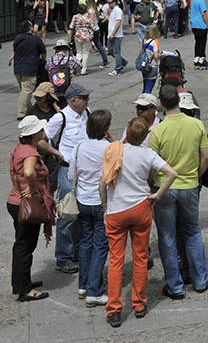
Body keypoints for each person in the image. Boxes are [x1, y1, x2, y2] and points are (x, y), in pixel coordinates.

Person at [101, 116, 178, 327]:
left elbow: (102, 184)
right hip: (141, 208)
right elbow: (171, 173)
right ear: (145, 136)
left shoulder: (113, 151)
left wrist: (106, 208)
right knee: (140, 257)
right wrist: (158, 194)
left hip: (117, 210)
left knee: (116, 261)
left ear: (126, 132)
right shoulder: (147, 153)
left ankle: (114, 310)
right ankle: (139, 304)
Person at [149, 83, 208, 299]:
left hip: (164, 187)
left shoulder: (157, 131)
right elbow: (206, 157)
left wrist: (152, 186)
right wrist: (196, 176)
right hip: (189, 184)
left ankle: (175, 286)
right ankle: (200, 279)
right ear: (179, 100)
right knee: (192, 231)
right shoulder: (196, 125)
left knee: (167, 236)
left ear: (160, 103)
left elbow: (152, 165)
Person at [45, 82, 94, 273]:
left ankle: (77, 252)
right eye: (84, 97)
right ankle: (63, 258)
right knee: (67, 214)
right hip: (67, 172)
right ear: (73, 100)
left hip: (85, 172)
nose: (87, 100)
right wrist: (58, 154)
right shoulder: (61, 118)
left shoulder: (87, 113)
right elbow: (42, 139)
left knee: (81, 213)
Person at [8, 115, 57, 302]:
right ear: (35, 133)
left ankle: (24, 282)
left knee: (23, 244)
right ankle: (24, 289)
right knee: (24, 246)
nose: (43, 131)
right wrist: (33, 187)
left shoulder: (19, 148)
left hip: (15, 201)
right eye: (41, 129)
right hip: (26, 204)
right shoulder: (30, 153)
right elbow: (28, 172)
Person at [68, 108, 111, 307]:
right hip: (101, 202)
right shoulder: (108, 148)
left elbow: (71, 175)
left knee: (86, 242)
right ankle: (94, 291)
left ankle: (83, 286)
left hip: (83, 200)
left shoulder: (79, 147)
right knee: (100, 245)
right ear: (105, 128)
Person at [11, 20, 47, 119]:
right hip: (29, 69)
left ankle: (30, 110)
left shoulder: (17, 39)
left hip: (17, 69)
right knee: (27, 91)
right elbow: (43, 52)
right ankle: (21, 113)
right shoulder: (36, 39)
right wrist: (43, 60)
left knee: (23, 91)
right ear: (31, 28)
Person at [47, 38, 83, 106]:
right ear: (67, 49)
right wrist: (72, 55)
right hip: (67, 89)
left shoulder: (50, 59)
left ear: (56, 49)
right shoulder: (69, 59)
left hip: (54, 90)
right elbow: (80, 66)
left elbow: (47, 68)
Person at [68, 3, 96, 76]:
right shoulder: (88, 17)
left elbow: (71, 26)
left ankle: (75, 67)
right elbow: (93, 27)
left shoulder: (75, 17)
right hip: (86, 36)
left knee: (79, 52)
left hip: (77, 36)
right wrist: (91, 33)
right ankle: (83, 70)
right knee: (85, 53)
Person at [190, 0, 208, 70]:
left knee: (197, 42)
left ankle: (196, 59)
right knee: (202, 42)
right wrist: (207, 25)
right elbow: (203, 13)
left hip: (194, 24)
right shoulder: (201, 1)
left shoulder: (194, 1)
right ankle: (202, 59)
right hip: (200, 24)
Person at [139, 24, 163, 94]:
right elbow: (156, 56)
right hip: (152, 66)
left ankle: (143, 98)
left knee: (145, 86)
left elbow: (140, 53)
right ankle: (146, 99)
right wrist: (162, 55)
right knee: (149, 88)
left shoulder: (143, 41)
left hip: (144, 66)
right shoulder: (155, 42)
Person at [107, 0, 127, 76]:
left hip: (116, 35)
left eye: (110, 3)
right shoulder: (112, 10)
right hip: (111, 35)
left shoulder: (118, 11)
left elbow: (118, 22)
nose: (108, 4)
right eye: (108, 2)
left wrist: (113, 33)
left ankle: (118, 69)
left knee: (116, 52)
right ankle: (123, 62)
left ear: (114, 2)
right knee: (110, 51)